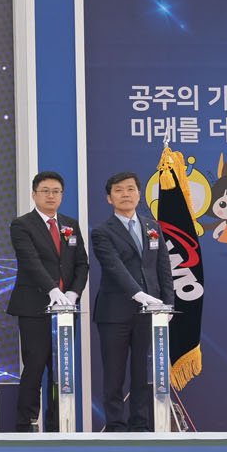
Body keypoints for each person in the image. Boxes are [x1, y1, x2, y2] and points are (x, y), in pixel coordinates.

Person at [91, 169, 177, 431]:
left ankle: (140, 425)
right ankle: (116, 426)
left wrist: (167, 303)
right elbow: (114, 267)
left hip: (149, 314)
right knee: (114, 375)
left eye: (130, 189)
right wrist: (141, 296)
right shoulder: (102, 232)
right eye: (118, 190)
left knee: (142, 372)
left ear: (139, 194)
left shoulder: (152, 227)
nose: (125, 194)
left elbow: (163, 266)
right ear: (109, 198)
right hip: (114, 313)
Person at [5, 170, 90, 430]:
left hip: (66, 310)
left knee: (61, 370)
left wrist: (72, 294)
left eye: (56, 191)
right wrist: (53, 291)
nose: (51, 196)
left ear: (62, 195)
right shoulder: (22, 225)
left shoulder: (70, 224)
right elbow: (30, 261)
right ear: (34, 194)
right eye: (45, 191)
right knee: (35, 366)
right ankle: (26, 424)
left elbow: (82, 264)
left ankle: (58, 425)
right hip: (35, 307)